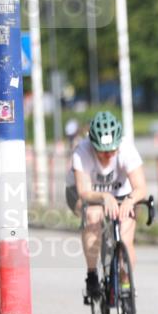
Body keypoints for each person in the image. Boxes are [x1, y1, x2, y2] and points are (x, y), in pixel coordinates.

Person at [65, 111, 147, 299]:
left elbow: (141, 187)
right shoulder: (82, 151)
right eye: (102, 151)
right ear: (92, 145)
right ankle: (92, 274)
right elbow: (84, 192)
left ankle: (125, 281)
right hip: (86, 194)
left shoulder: (127, 149)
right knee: (93, 215)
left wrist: (130, 200)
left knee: (126, 238)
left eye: (112, 150)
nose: (107, 155)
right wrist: (104, 196)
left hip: (122, 194)